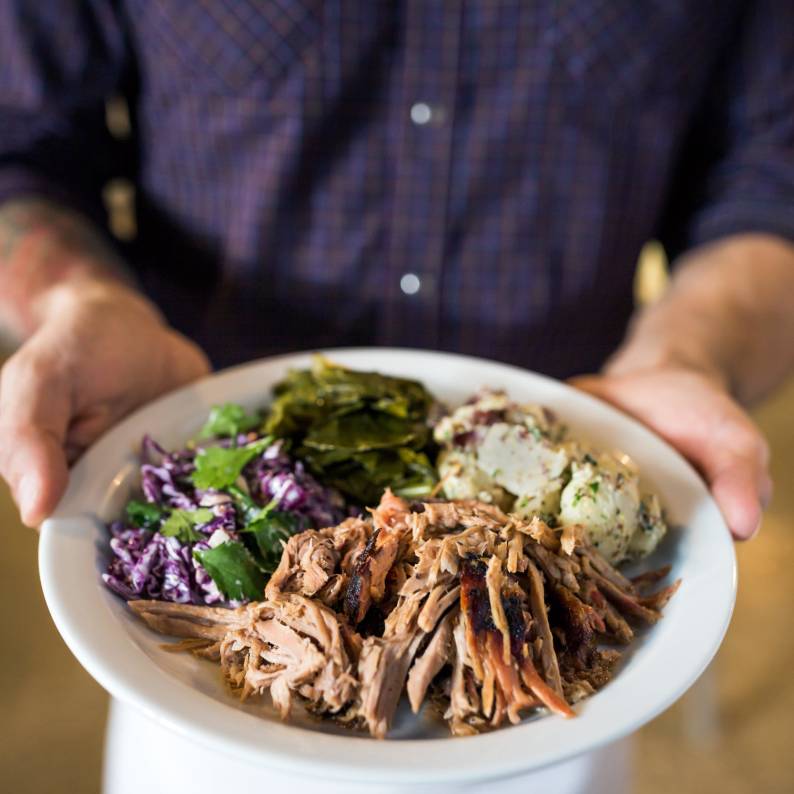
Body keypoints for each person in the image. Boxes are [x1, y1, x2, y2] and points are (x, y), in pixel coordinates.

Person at [1, 2, 792, 793]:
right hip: (207, 706)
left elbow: (770, 178)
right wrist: (79, 301)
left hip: (543, 699)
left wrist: (692, 352)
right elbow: (20, 148)